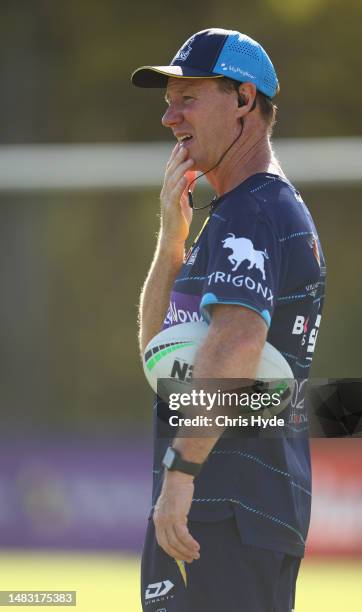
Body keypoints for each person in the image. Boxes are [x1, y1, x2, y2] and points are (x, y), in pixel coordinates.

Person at [132, 28, 326, 612]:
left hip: (227, 505)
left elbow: (238, 341)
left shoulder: (256, 209)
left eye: (187, 97)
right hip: (217, 504)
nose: (170, 117)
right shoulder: (235, 215)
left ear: (244, 100)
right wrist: (172, 239)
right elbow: (158, 356)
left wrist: (181, 473)